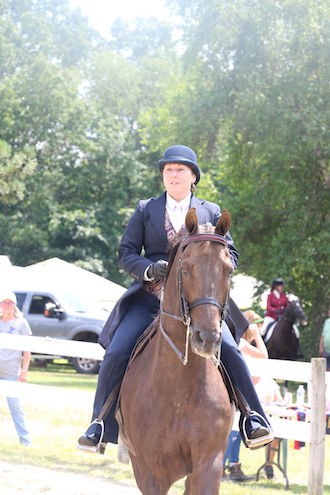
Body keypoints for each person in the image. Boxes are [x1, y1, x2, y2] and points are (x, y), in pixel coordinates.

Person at [78, 144, 273, 453]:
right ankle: (99, 424)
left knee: (232, 351)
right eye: (168, 170)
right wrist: (148, 269)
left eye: (180, 170)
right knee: (116, 352)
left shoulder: (210, 211)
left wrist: (216, 264)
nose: (173, 175)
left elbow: (231, 252)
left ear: (193, 176)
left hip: (199, 302)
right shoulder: (146, 209)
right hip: (151, 298)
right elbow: (126, 252)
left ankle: (253, 419)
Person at [223, 310, 268, 482]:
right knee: (231, 433)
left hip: (241, 389)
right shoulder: (240, 342)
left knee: (235, 434)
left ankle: (234, 466)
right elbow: (264, 355)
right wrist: (257, 336)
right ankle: (222, 468)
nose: (260, 328)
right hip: (236, 389)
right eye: (258, 325)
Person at [0, 290, 32, 446]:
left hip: (11, 372)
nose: (7, 306)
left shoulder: (21, 323)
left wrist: (24, 370)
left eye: (9, 303)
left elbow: (27, 349)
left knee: (15, 407)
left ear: (14, 305)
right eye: (4, 303)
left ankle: (25, 441)